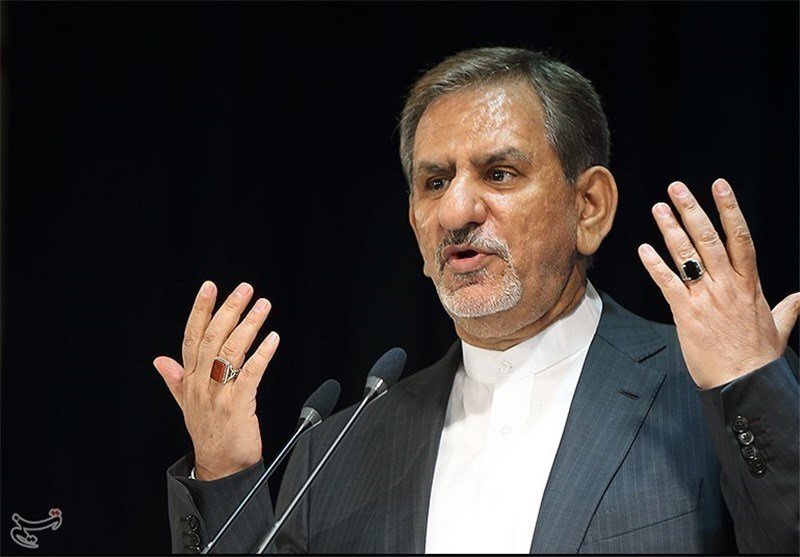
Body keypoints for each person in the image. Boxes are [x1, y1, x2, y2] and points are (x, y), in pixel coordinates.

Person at [154, 46, 799, 554]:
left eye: (499, 173)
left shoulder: (710, 391)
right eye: (435, 182)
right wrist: (224, 473)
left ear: (589, 207)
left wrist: (750, 384)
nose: (456, 210)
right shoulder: (337, 451)